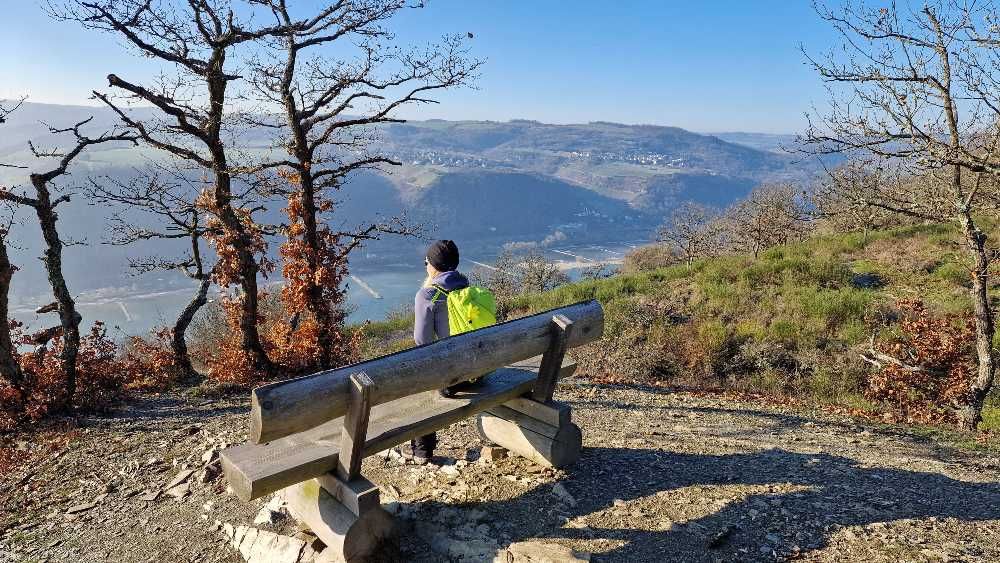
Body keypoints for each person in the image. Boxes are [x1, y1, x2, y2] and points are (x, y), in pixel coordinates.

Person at [400, 239, 469, 464]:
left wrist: (426, 286)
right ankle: (422, 449)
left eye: (426, 261)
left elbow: (422, 342)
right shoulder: (466, 287)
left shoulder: (428, 295)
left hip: (451, 379)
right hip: (477, 369)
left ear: (433, 265)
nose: (425, 264)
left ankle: (421, 450)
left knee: (421, 374)